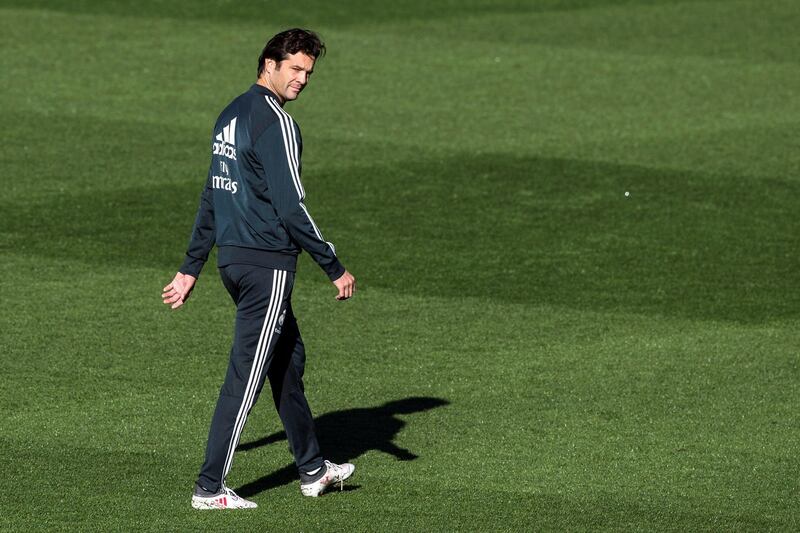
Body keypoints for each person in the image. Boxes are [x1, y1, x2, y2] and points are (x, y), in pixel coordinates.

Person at [161, 28, 356, 510]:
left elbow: (212, 194)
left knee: (287, 363)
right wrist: (333, 265)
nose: (302, 79)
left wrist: (191, 267)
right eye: (295, 68)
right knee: (245, 378)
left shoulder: (229, 115)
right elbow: (292, 208)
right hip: (266, 264)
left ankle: (312, 470)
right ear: (268, 64)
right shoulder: (277, 124)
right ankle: (209, 488)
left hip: (234, 261)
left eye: (308, 72)